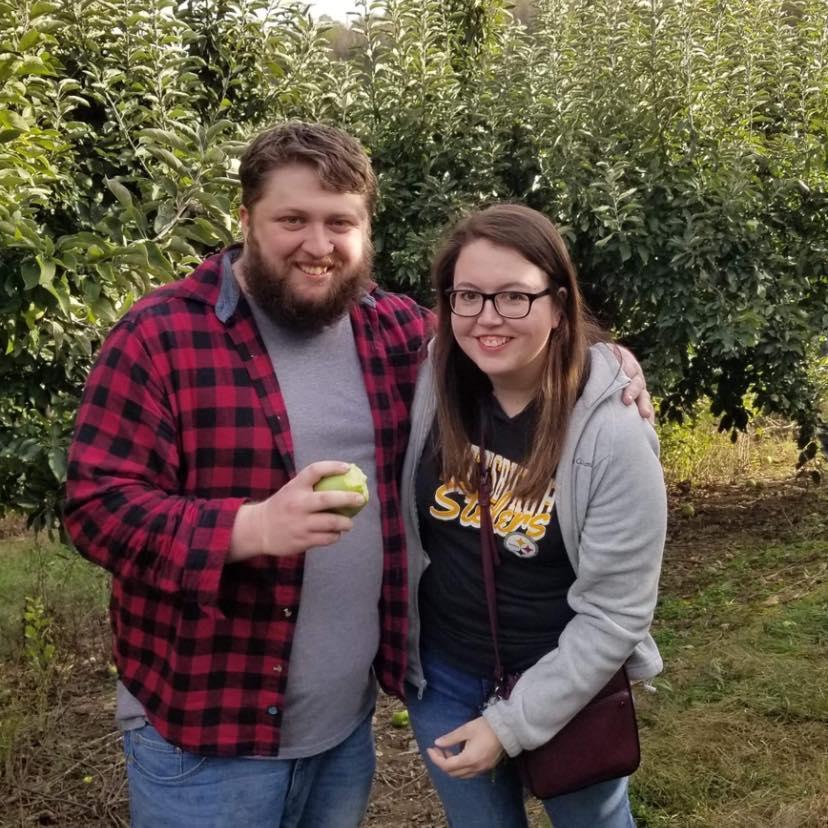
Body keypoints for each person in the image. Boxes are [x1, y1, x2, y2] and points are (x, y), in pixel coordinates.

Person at [64, 122, 652, 828]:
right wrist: (246, 528)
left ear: (365, 227)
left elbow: (501, 326)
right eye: (292, 220)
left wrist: (604, 359)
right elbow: (95, 508)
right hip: (208, 737)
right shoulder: (159, 336)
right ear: (246, 218)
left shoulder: (394, 333)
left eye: (339, 222)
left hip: (342, 732)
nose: (318, 245)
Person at [401, 204, 667, 828]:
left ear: (558, 302)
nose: (488, 318)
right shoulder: (433, 381)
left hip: (568, 683)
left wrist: (513, 723)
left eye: (515, 297)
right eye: (468, 295)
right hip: (444, 676)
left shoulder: (612, 436)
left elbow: (615, 614)